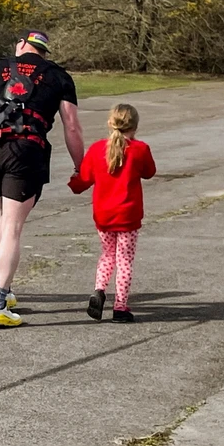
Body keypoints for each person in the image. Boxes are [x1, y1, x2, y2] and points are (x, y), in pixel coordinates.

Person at [0, 29, 85, 328]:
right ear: (43, 51)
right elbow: (71, 126)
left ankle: (5, 291)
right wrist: (79, 166)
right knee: (13, 226)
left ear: (21, 45)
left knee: (4, 219)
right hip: (25, 150)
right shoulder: (59, 76)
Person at [68, 103, 156, 323]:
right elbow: (149, 172)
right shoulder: (139, 149)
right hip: (128, 215)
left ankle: (99, 290)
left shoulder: (98, 149)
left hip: (104, 215)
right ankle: (120, 306)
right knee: (124, 260)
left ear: (110, 123)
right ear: (135, 125)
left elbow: (84, 179)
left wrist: (74, 182)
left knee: (107, 255)